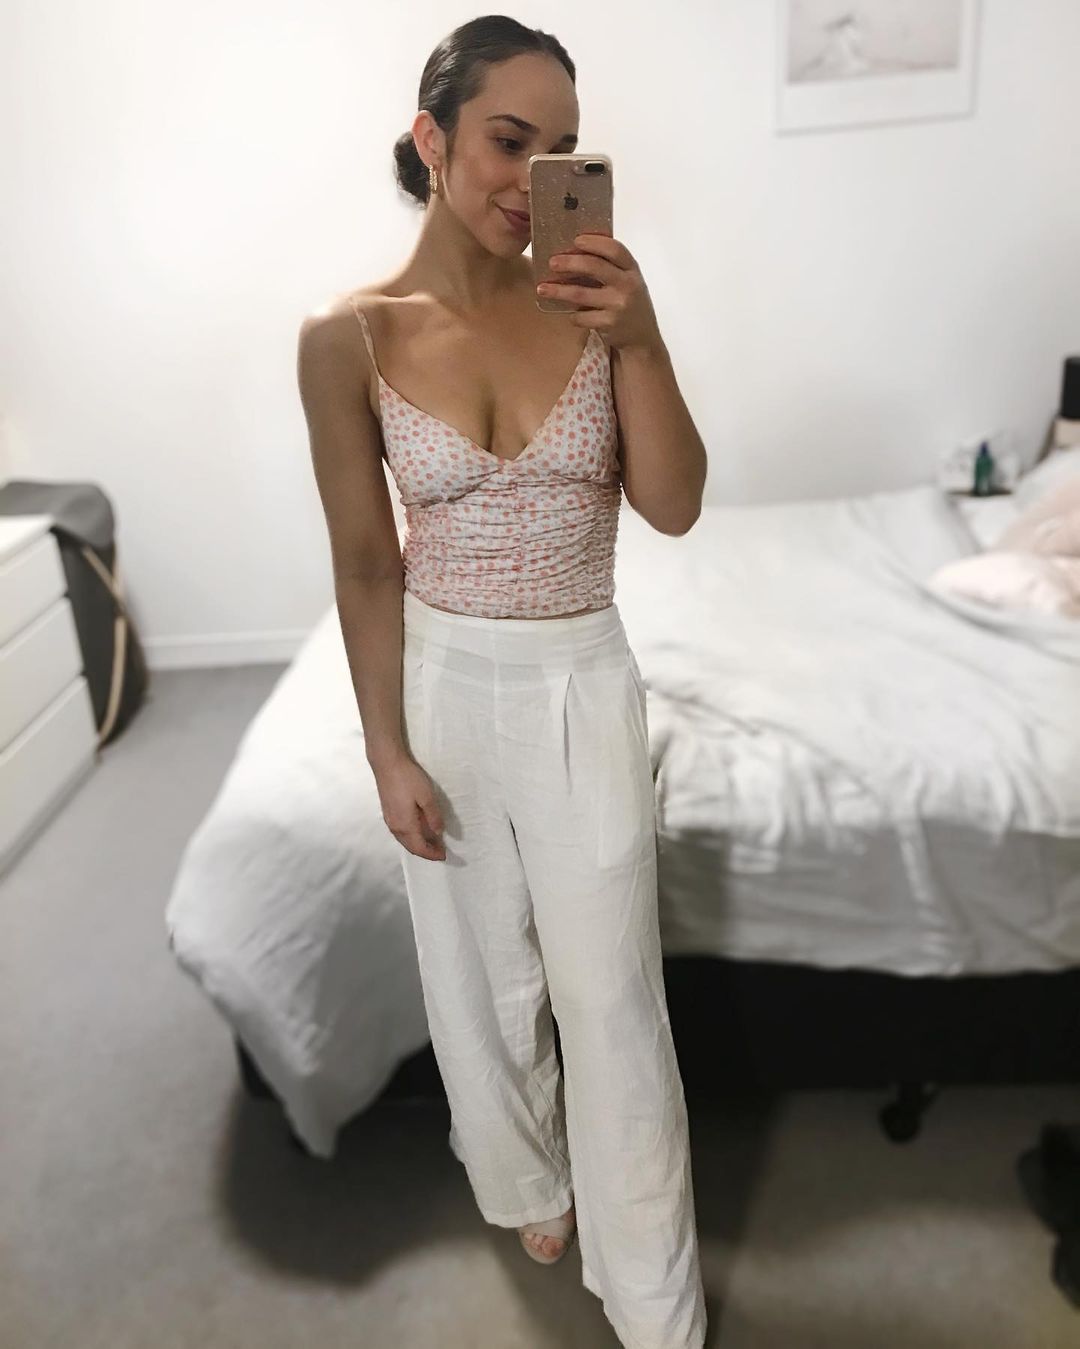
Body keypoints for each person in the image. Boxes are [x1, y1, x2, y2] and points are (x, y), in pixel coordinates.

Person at [297, 15, 708, 1348]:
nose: (532, 179)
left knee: (612, 1004)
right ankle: (530, 1179)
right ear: (433, 140)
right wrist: (385, 751)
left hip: (580, 676)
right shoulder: (347, 338)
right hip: (441, 680)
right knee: (480, 974)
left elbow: (675, 505)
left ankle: (654, 1299)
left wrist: (642, 338)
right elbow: (366, 560)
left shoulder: (591, 303)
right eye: (507, 141)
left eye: (561, 149)